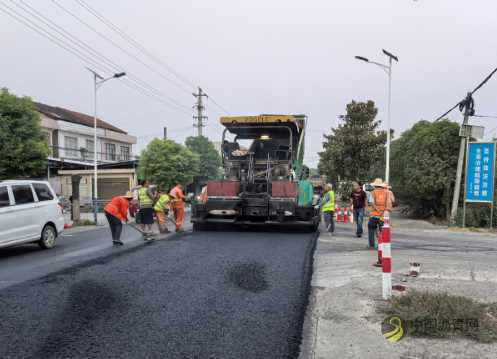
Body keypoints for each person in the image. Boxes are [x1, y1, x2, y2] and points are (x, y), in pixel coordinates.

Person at [367, 178, 392, 249]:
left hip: (374, 215)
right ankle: (381, 245)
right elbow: (389, 203)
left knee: (371, 229)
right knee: (382, 230)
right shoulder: (387, 192)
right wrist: (384, 211)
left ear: (375, 185)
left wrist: (378, 210)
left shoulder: (373, 192)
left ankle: (371, 245)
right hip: (383, 215)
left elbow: (372, 203)